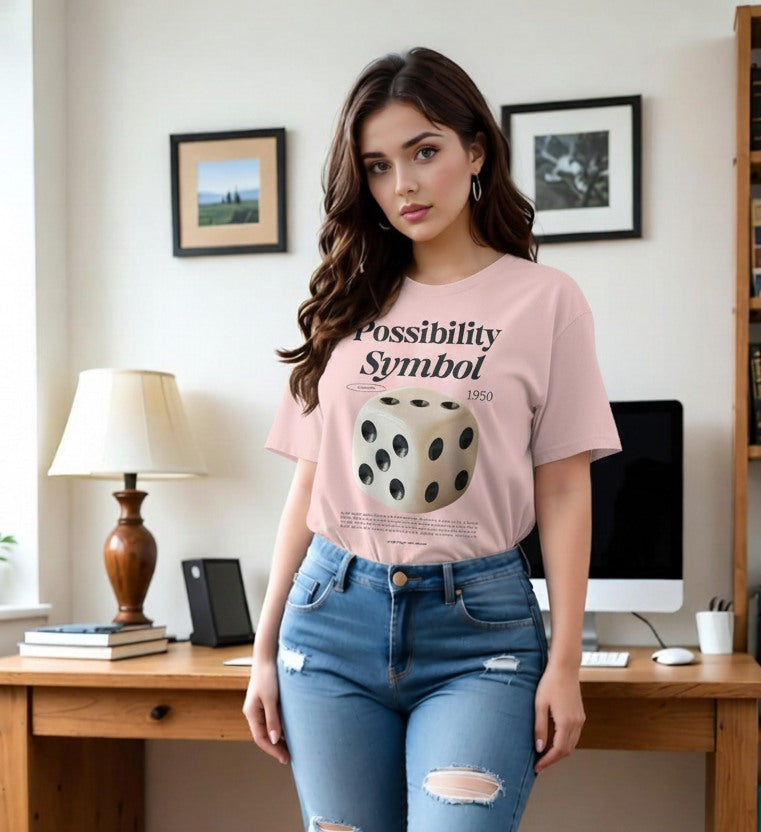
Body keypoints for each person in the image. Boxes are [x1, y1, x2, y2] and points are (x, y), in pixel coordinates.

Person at [243, 47, 621, 832]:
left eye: (424, 152)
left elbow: (563, 486)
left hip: (479, 635)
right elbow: (310, 485)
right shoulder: (345, 304)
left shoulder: (546, 301)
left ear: (476, 151)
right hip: (329, 620)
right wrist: (263, 649)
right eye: (377, 167)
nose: (403, 186)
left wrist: (566, 662)